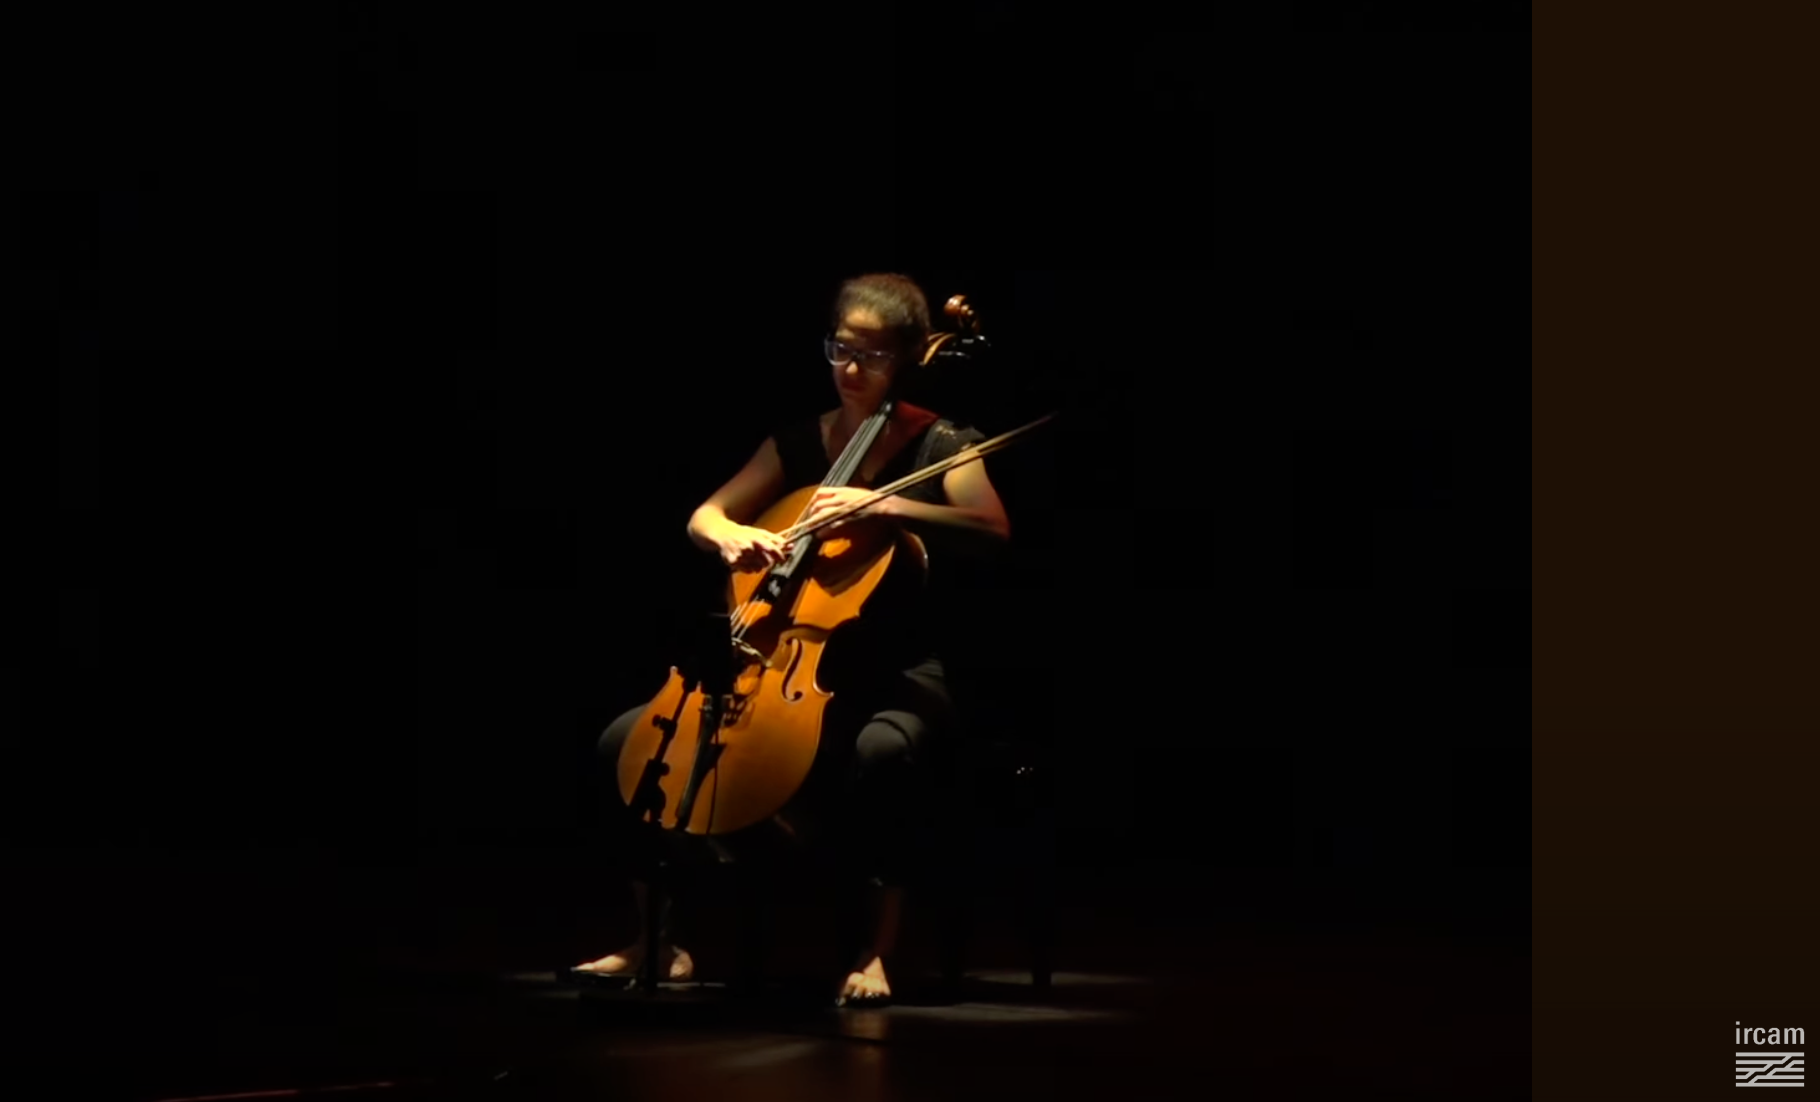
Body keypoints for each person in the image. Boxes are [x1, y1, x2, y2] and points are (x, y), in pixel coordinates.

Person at [572, 273, 1011, 1006]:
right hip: (781, 659)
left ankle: (875, 951)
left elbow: (991, 528)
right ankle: (658, 938)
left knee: (883, 752)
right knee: (626, 741)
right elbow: (706, 514)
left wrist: (889, 505)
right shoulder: (800, 440)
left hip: (893, 668)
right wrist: (730, 536)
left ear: (908, 357)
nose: (850, 369)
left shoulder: (943, 443)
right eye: (840, 348)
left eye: (871, 356)